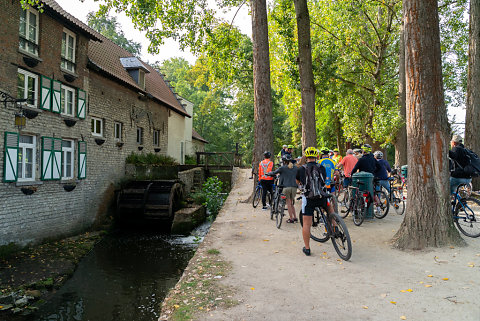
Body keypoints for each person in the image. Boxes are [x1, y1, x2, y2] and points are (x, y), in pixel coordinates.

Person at [296, 147, 335, 256]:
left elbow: (298, 182)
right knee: (329, 208)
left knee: (307, 224)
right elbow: (324, 180)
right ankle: (335, 225)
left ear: (306, 157)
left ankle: (307, 248)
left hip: (308, 198)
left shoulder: (301, 169)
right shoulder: (321, 167)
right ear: (316, 156)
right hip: (321, 196)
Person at [267, 154, 298, 223]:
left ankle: (291, 218)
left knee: (288, 203)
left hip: (286, 187)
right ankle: (295, 217)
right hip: (294, 188)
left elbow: (274, 172)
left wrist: (268, 173)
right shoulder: (295, 168)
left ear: (284, 161)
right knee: (291, 203)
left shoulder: (283, 168)